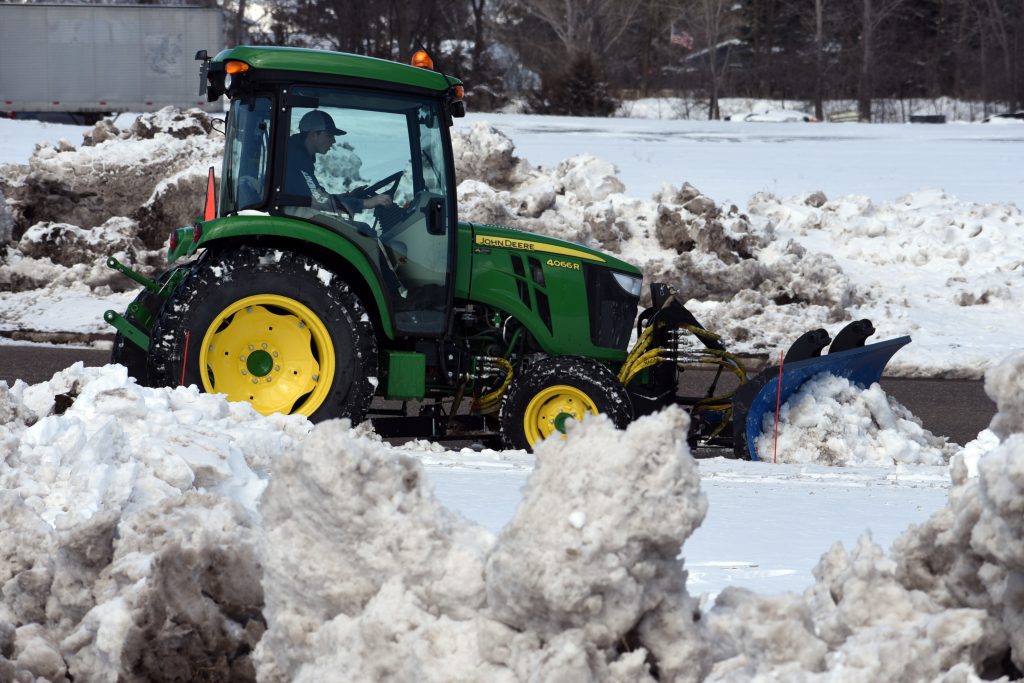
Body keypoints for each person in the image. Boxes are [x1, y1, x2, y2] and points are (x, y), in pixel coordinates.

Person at [284, 110, 393, 216]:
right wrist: (365, 203)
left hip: (296, 212)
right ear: (313, 135)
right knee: (362, 228)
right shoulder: (296, 158)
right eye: (329, 135)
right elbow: (319, 200)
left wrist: (348, 197)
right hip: (291, 215)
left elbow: (318, 196)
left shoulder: (299, 155)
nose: (334, 141)